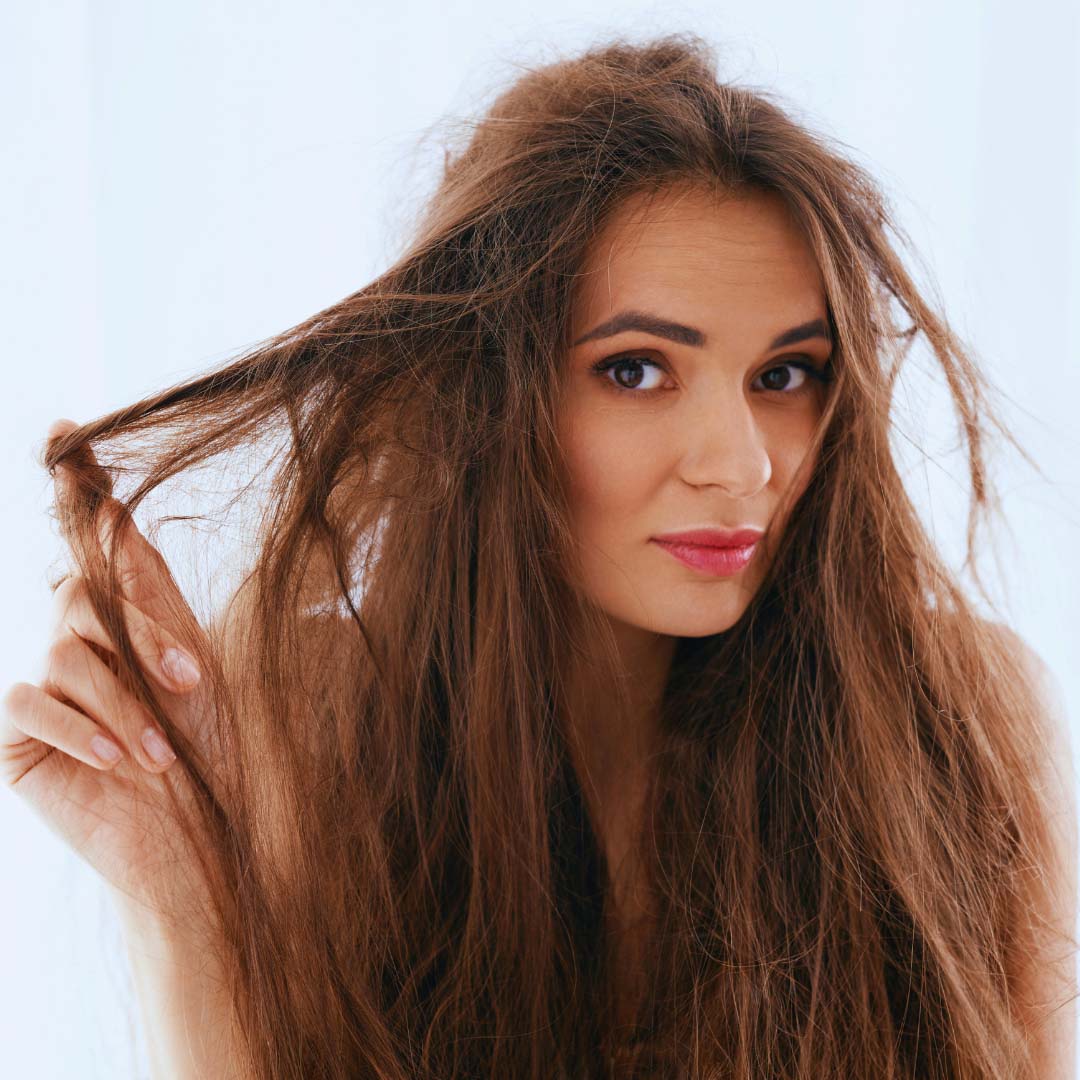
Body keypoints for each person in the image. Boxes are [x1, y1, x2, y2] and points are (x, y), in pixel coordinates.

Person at [2, 31, 1076, 1079]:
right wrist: (181, 892)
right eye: (637, 370)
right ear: (482, 395)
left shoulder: (958, 724)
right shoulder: (309, 719)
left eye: (785, 375)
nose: (742, 466)